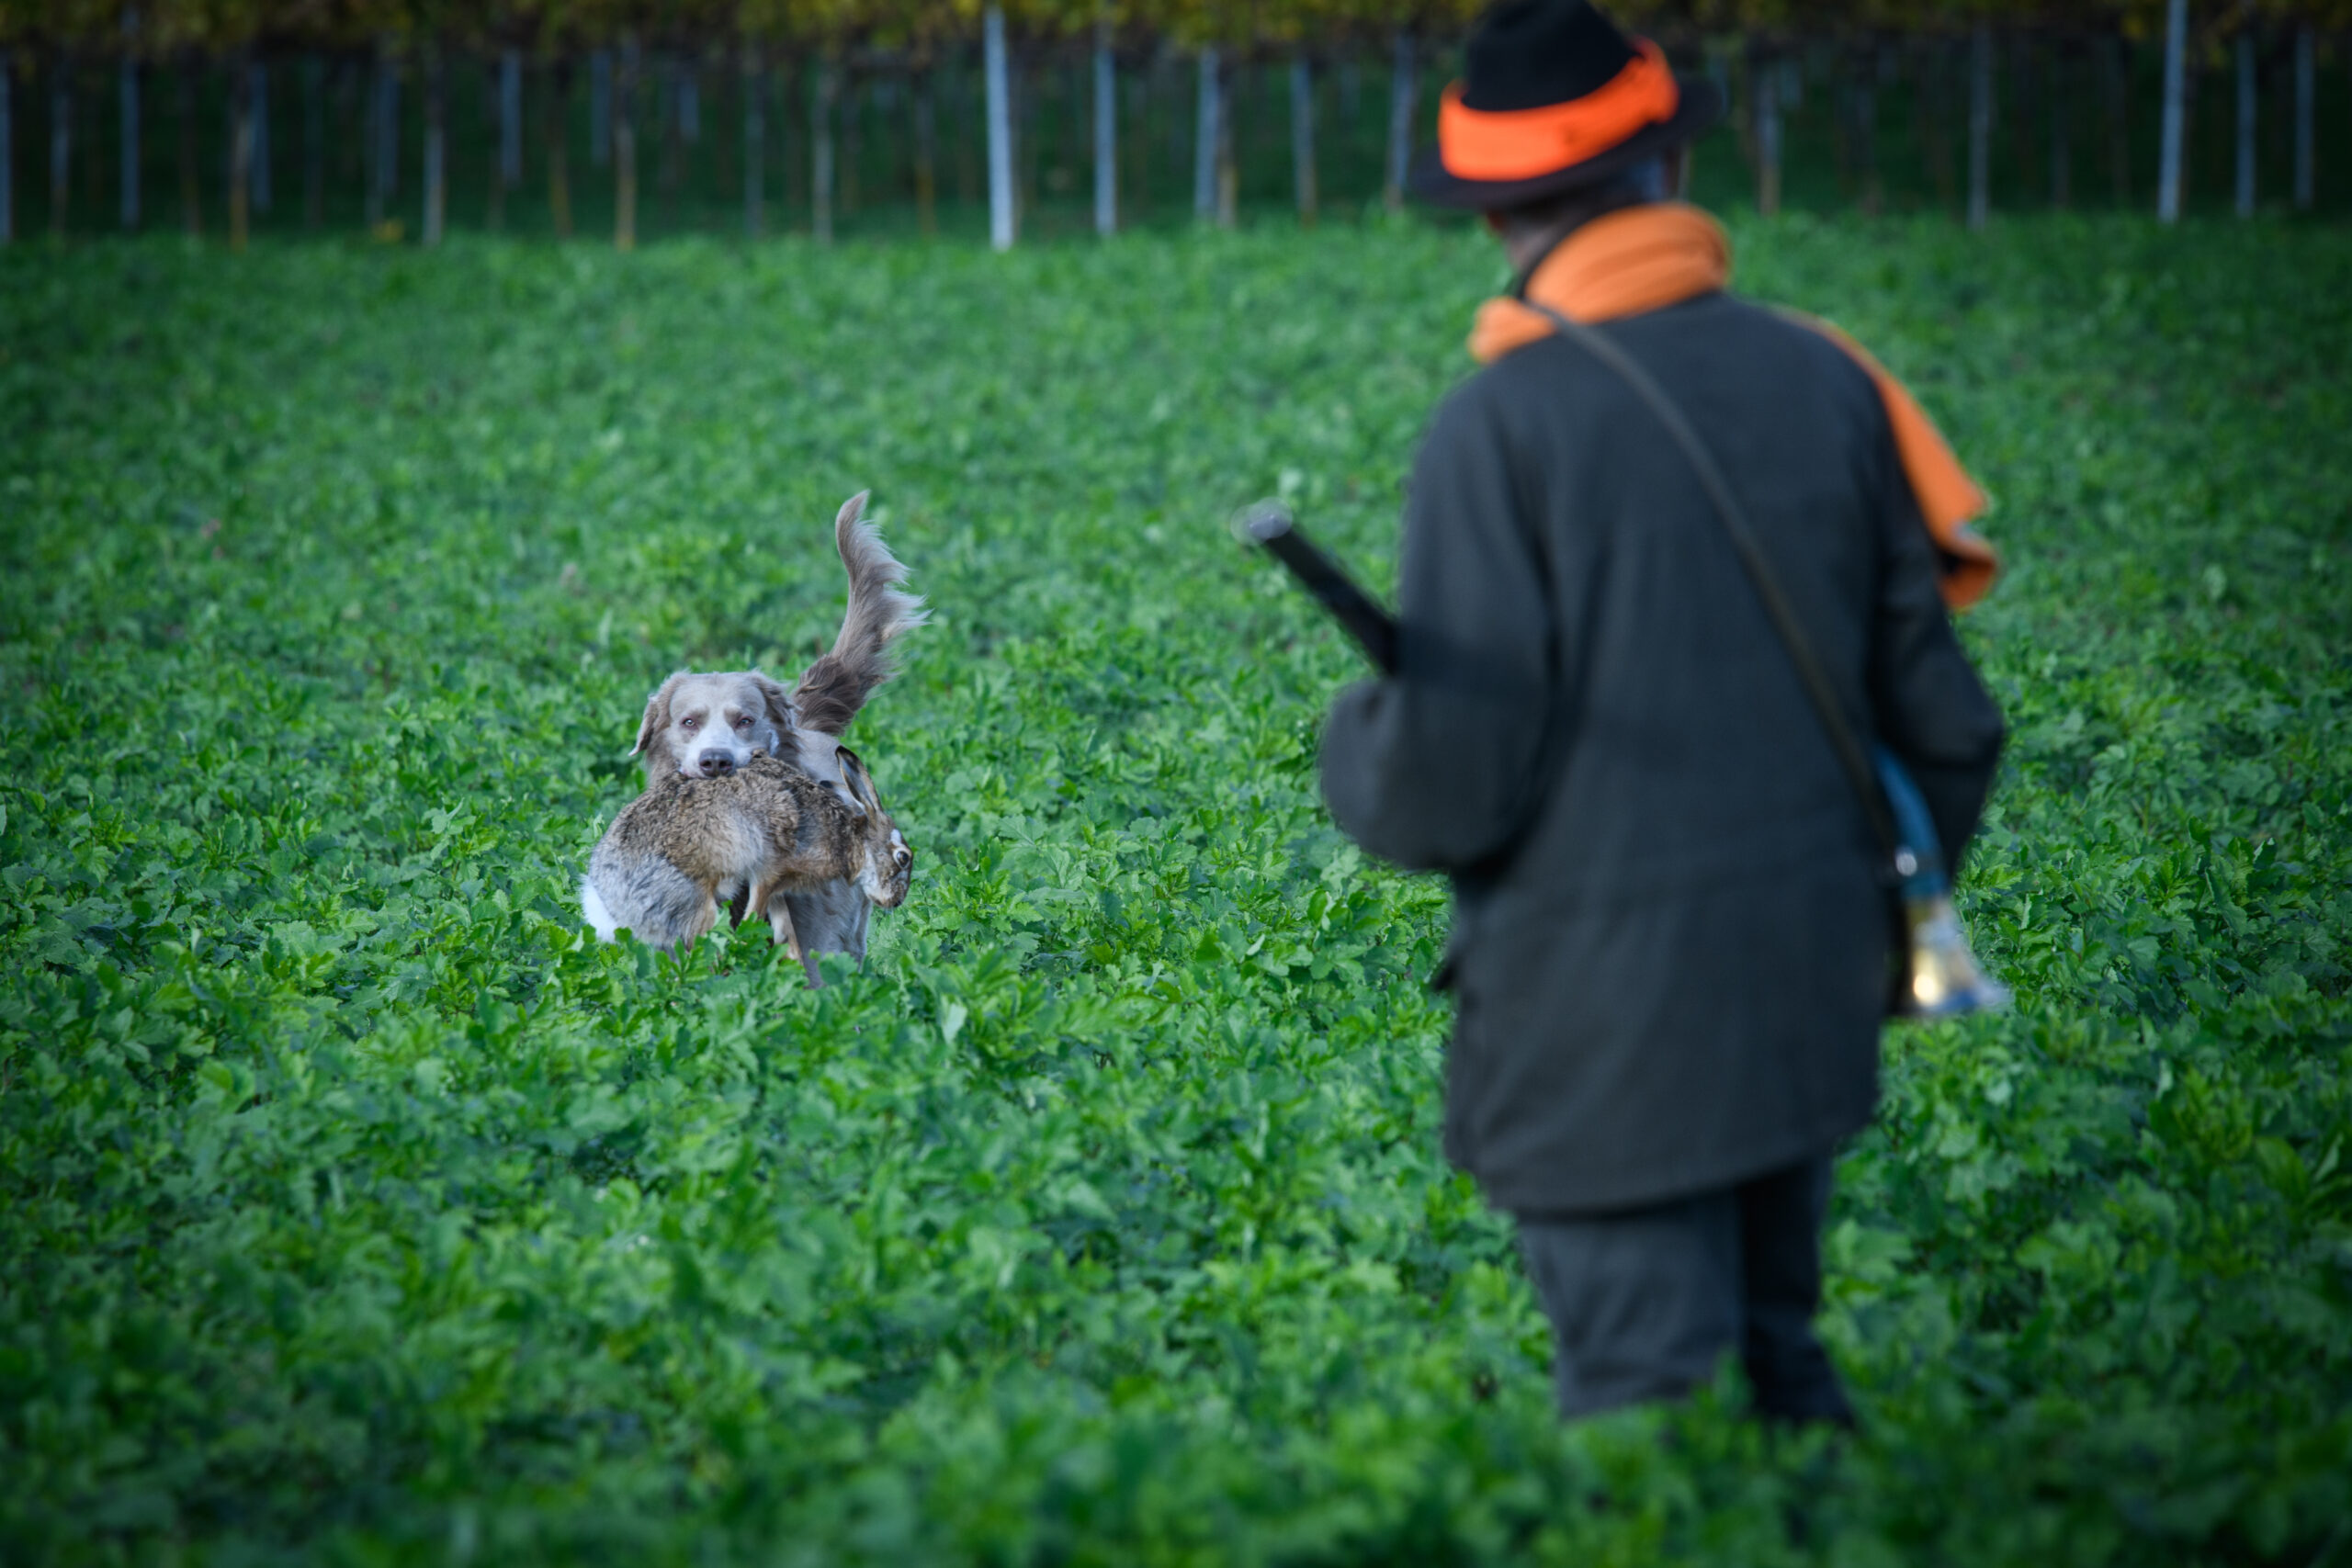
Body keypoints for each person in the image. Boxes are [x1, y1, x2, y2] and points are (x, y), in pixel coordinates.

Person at [1317, 0, 2006, 1425]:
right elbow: (1946, 724)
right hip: (1806, 998)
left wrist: (1356, 744)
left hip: (1602, 1031)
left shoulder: (1500, 428)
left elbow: (1451, 781)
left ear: (1497, 215)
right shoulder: (1831, 379)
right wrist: (1853, 917)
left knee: (1647, 1414)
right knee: (1779, 1362)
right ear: (1667, 174)